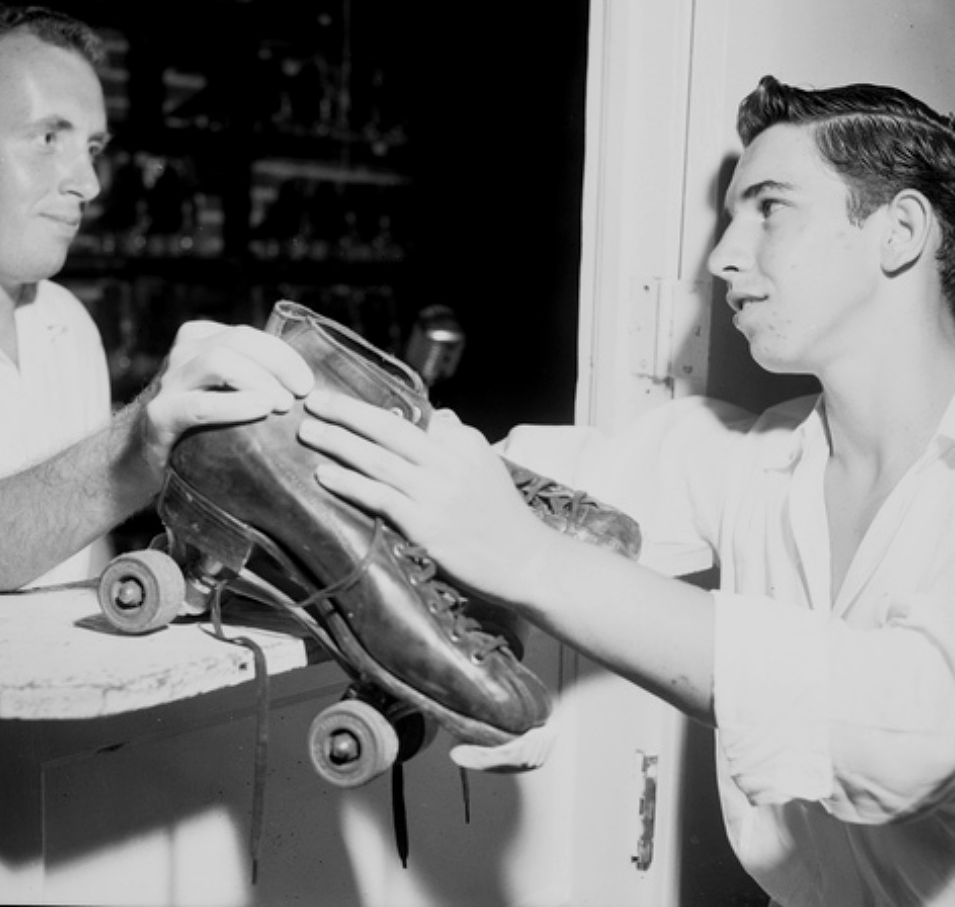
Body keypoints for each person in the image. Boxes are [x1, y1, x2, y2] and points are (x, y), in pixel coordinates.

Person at [293, 76, 955, 905]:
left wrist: (531, 563)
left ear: (898, 231)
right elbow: (516, 485)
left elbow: (910, 728)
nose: (721, 256)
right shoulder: (756, 459)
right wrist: (299, 405)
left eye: (769, 207)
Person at [0, 2, 312, 612]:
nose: (89, 184)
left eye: (93, 148)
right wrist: (134, 449)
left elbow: (84, 569)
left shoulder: (66, 322)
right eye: (49, 138)